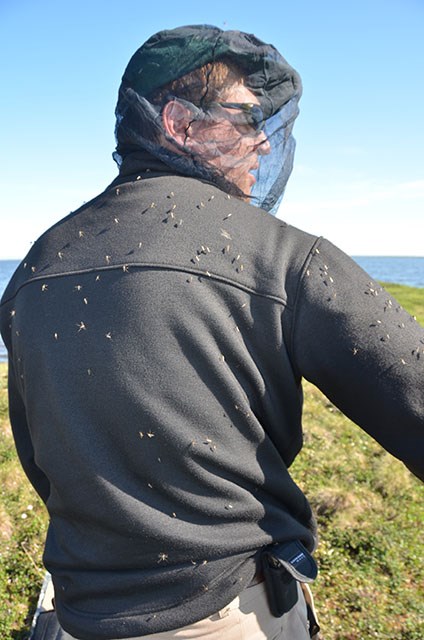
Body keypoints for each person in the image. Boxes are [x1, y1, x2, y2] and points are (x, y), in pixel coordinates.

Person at [0, 24, 423, 640]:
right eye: (245, 119)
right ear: (180, 123)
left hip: (75, 613)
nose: (261, 144)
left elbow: (41, 457)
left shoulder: (38, 264)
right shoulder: (280, 255)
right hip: (226, 615)